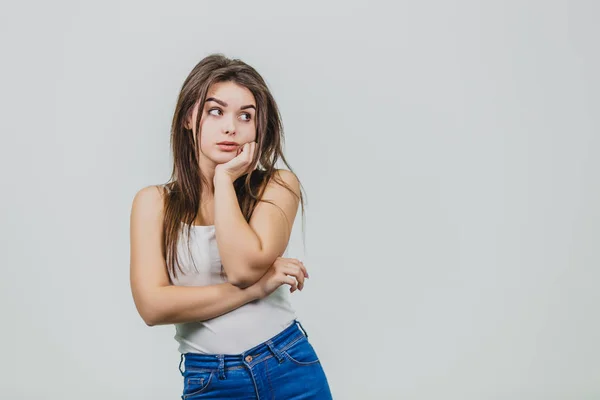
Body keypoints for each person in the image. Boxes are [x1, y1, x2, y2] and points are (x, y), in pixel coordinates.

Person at [129, 53, 333, 399]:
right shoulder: (154, 203)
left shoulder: (278, 185)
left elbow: (241, 268)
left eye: (246, 116)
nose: (231, 127)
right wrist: (258, 288)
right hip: (212, 381)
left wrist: (224, 180)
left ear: (258, 127)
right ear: (188, 118)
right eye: (215, 111)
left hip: (289, 365)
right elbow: (152, 307)